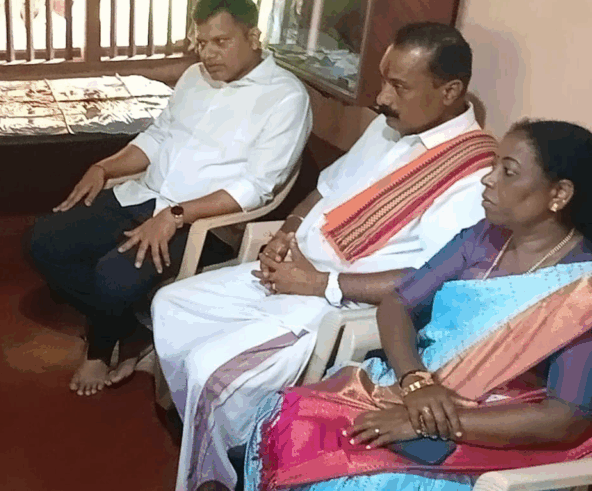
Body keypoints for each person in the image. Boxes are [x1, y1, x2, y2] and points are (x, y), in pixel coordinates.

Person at [153, 22, 497, 490]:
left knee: (211, 370)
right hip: (292, 270)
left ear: (449, 91)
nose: (382, 98)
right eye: (383, 80)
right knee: (170, 305)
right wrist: (288, 230)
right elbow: (326, 188)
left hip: (336, 301)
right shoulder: (390, 126)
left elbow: (431, 278)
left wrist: (319, 284)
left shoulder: (471, 175)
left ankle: (225, 475)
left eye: (399, 87)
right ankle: (213, 435)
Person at [241, 119, 592, 491]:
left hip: (495, 430)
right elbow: (398, 303)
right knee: (289, 418)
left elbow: (565, 419)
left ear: (559, 194)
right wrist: (415, 381)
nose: (488, 179)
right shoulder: (485, 237)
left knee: (353, 480)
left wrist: (426, 423)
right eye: (493, 166)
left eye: (508, 172)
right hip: (419, 388)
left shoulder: (581, 290)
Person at [28, 0, 312, 396]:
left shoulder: (285, 97)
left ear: (253, 37)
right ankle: (129, 327)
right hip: (144, 195)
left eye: (221, 42)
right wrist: (104, 167)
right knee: (43, 242)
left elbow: (256, 188)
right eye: (202, 43)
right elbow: (158, 136)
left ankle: (101, 347)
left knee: (112, 273)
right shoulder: (194, 78)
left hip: (204, 223)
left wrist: (176, 215)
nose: (208, 54)